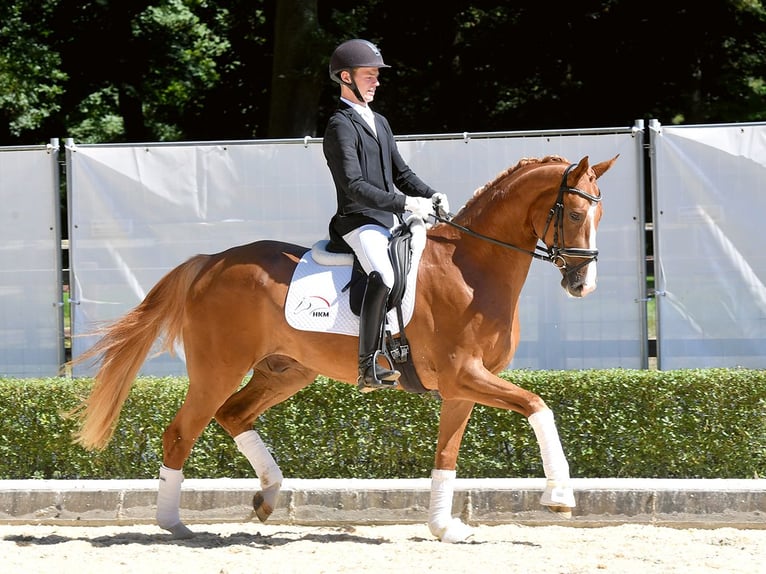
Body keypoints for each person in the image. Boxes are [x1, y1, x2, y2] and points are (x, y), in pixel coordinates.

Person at [323, 38, 449, 391]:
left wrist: (430, 194)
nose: (375, 81)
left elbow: (402, 174)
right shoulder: (340, 125)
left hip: (386, 220)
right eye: (368, 75)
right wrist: (405, 204)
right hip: (357, 220)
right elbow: (353, 185)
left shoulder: (379, 121)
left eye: (377, 75)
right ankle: (366, 368)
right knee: (384, 275)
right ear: (345, 77)